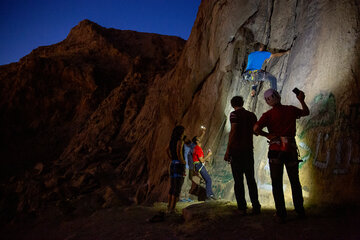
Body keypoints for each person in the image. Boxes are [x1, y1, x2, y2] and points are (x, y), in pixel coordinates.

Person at [253, 88, 310, 223]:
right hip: (290, 149)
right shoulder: (290, 110)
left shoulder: (268, 115)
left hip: (275, 150)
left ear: (267, 102)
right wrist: (301, 100)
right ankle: (300, 210)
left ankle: (281, 213)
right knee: (295, 181)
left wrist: (267, 135)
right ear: (278, 96)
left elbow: (255, 129)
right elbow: (306, 112)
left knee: (276, 183)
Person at [224, 96, 261, 215]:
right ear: (243, 102)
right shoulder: (251, 115)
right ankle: (256, 206)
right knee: (251, 180)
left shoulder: (234, 115)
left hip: (236, 151)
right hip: (248, 151)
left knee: (238, 180)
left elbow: (233, 131)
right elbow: (256, 132)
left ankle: (242, 207)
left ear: (232, 104)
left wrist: (228, 150)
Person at [166, 125, 186, 213]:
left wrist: (171, 158)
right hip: (179, 165)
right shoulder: (179, 141)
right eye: (183, 131)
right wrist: (183, 162)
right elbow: (179, 152)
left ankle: (169, 206)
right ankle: (172, 209)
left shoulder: (171, 141)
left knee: (172, 186)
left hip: (173, 164)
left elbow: (166, 150)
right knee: (177, 187)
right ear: (181, 132)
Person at [192, 136, 216, 200]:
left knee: (207, 179)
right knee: (208, 180)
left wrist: (203, 133)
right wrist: (208, 155)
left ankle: (211, 194)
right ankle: (209, 196)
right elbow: (202, 160)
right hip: (199, 165)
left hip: (197, 165)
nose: (200, 138)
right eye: (198, 138)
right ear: (197, 141)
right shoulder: (198, 149)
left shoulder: (195, 148)